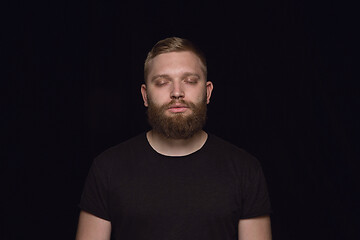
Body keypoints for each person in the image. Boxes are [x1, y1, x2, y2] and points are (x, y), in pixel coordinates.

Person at [76, 37, 272, 240]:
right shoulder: (107, 169)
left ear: (207, 92)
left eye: (190, 81)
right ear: (145, 96)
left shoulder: (245, 170)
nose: (177, 92)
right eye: (162, 82)